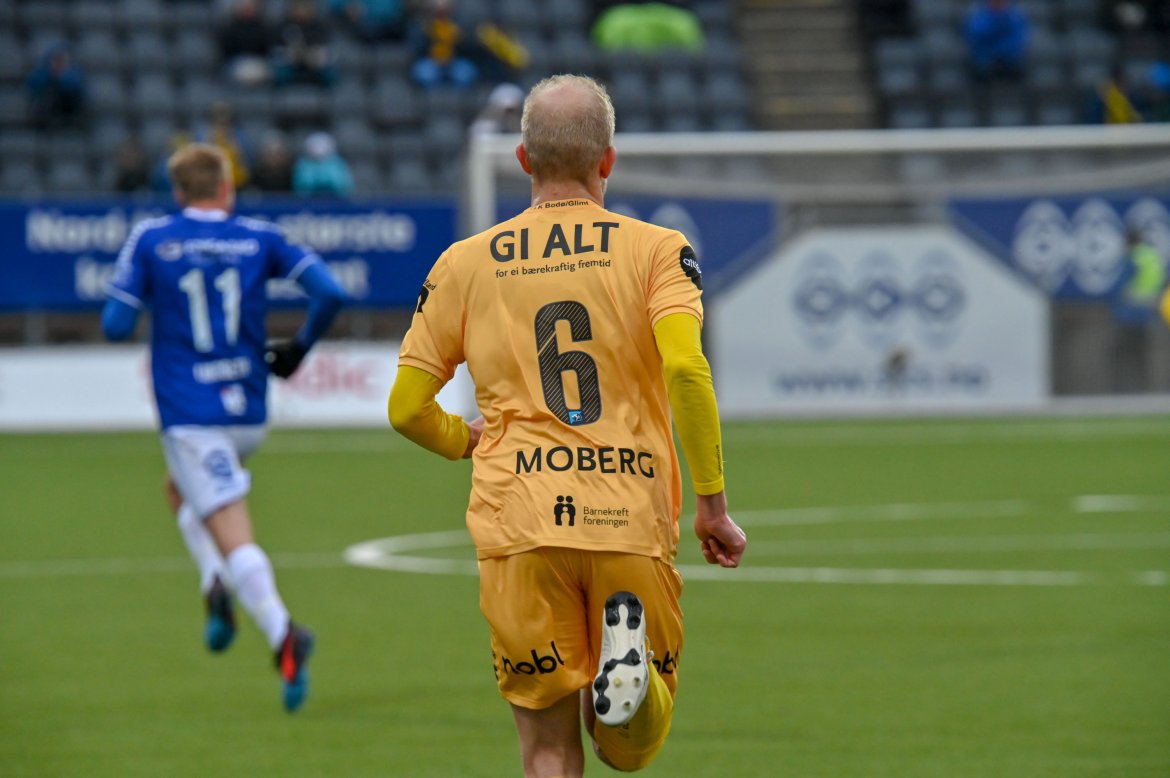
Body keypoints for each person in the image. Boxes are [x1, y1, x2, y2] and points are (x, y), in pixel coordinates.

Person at [387, 74, 746, 776]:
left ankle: (619, 683)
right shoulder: (657, 249)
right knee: (626, 752)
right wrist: (712, 505)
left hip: (520, 521)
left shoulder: (464, 262)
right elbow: (686, 369)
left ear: (523, 159)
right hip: (628, 516)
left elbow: (406, 408)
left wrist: (464, 439)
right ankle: (626, 686)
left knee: (547, 750)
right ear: (607, 159)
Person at [101, 143, 346, 712]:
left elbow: (115, 324)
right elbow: (331, 292)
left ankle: (284, 633)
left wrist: (150, 298)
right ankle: (214, 584)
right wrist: (298, 349)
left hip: (192, 415)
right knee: (179, 489)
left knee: (231, 528)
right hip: (249, 411)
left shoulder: (152, 237)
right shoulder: (261, 236)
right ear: (227, 188)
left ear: (176, 191)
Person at [271, 0, 337, 87]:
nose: (301, 11)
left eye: (305, 7)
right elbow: (275, 50)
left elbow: (327, 49)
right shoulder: (282, 26)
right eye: (298, 7)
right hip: (290, 65)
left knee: (329, 72)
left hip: (314, 65)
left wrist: (311, 53)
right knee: (278, 72)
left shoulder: (319, 27)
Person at [963, 0, 1031, 82]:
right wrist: (996, 25)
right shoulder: (978, 16)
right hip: (985, 57)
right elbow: (975, 35)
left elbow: (1018, 39)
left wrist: (1003, 51)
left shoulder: (1015, 17)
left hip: (1008, 58)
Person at [25, 40, 87, 129]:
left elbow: (78, 87)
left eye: (62, 60)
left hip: (68, 108)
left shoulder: (75, 73)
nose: (59, 64)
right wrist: (52, 76)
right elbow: (32, 85)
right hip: (46, 109)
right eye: (56, 60)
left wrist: (61, 77)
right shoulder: (41, 73)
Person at [218, 0, 274, 87]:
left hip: (258, 62)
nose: (247, 10)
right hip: (237, 62)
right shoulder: (231, 29)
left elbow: (267, 48)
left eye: (250, 7)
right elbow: (227, 50)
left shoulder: (263, 28)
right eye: (245, 7)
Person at [293, 131, 355, 196]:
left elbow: (343, 185)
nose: (318, 149)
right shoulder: (303, 165)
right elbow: (301, 186)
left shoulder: (337, 163)